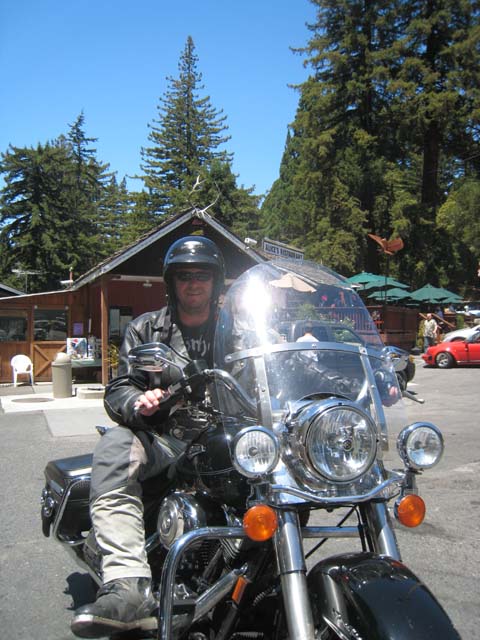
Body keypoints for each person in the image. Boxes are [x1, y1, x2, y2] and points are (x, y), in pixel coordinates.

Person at [71, 236, 225, 638]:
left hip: (230, 440)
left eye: (203, 275)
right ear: (171, 282)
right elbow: (119, 386)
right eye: (185, 275)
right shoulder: (146, 328)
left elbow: (280, 366)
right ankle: (127, 585)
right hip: (164, 437)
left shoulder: (239, 331)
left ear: (216, 281)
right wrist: (139, 400)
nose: (194, 283)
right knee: (116, 446)